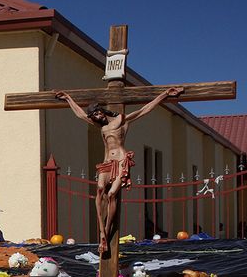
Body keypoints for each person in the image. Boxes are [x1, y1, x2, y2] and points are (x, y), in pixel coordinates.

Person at [56, 87, 184, 254]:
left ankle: (107, 232)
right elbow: (80, 114)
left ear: (101, 110)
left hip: (121, 160)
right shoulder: (99, 125)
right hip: (107, 161)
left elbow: (144, 110)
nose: (96, 117)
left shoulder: (121, 120)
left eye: (97, 113)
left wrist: (165, 95)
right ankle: (102, 232)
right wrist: (68, 98)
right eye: (93, 116)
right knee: (100, 191)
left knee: (111, 195)